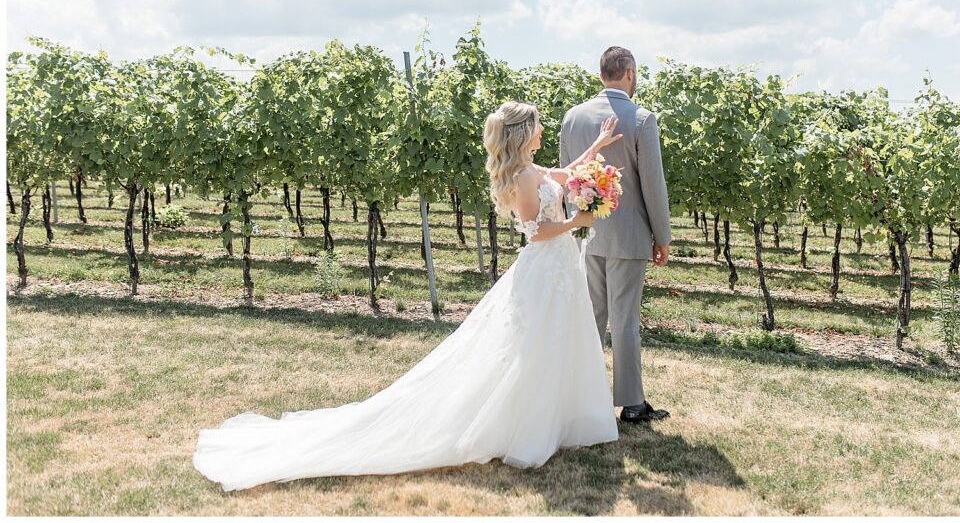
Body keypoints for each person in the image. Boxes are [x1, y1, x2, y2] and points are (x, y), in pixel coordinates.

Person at [192, 101, 623, 491]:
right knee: (532, 346)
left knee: (553, 342)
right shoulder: (524, 177)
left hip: (557, 268)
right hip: (544, 267)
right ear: (521, 132)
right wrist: (577, 221)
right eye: (538, 126)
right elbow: (536, 232)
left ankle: (559, 420)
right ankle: (526, 426)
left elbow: (565, 176)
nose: (543, 130)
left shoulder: (532, 169)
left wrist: (597, 148)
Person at [560, 46, 672, 423]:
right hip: (629, 236)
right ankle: (633, 403)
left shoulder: (572, 118)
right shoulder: (641, 118)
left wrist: (573, 224)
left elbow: (567, 176)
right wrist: (662, 235)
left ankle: (582, 396)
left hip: (586, 234)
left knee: (591, 317)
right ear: (629, 73)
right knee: (624, 320)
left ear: (600, 74)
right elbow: (652, 185)